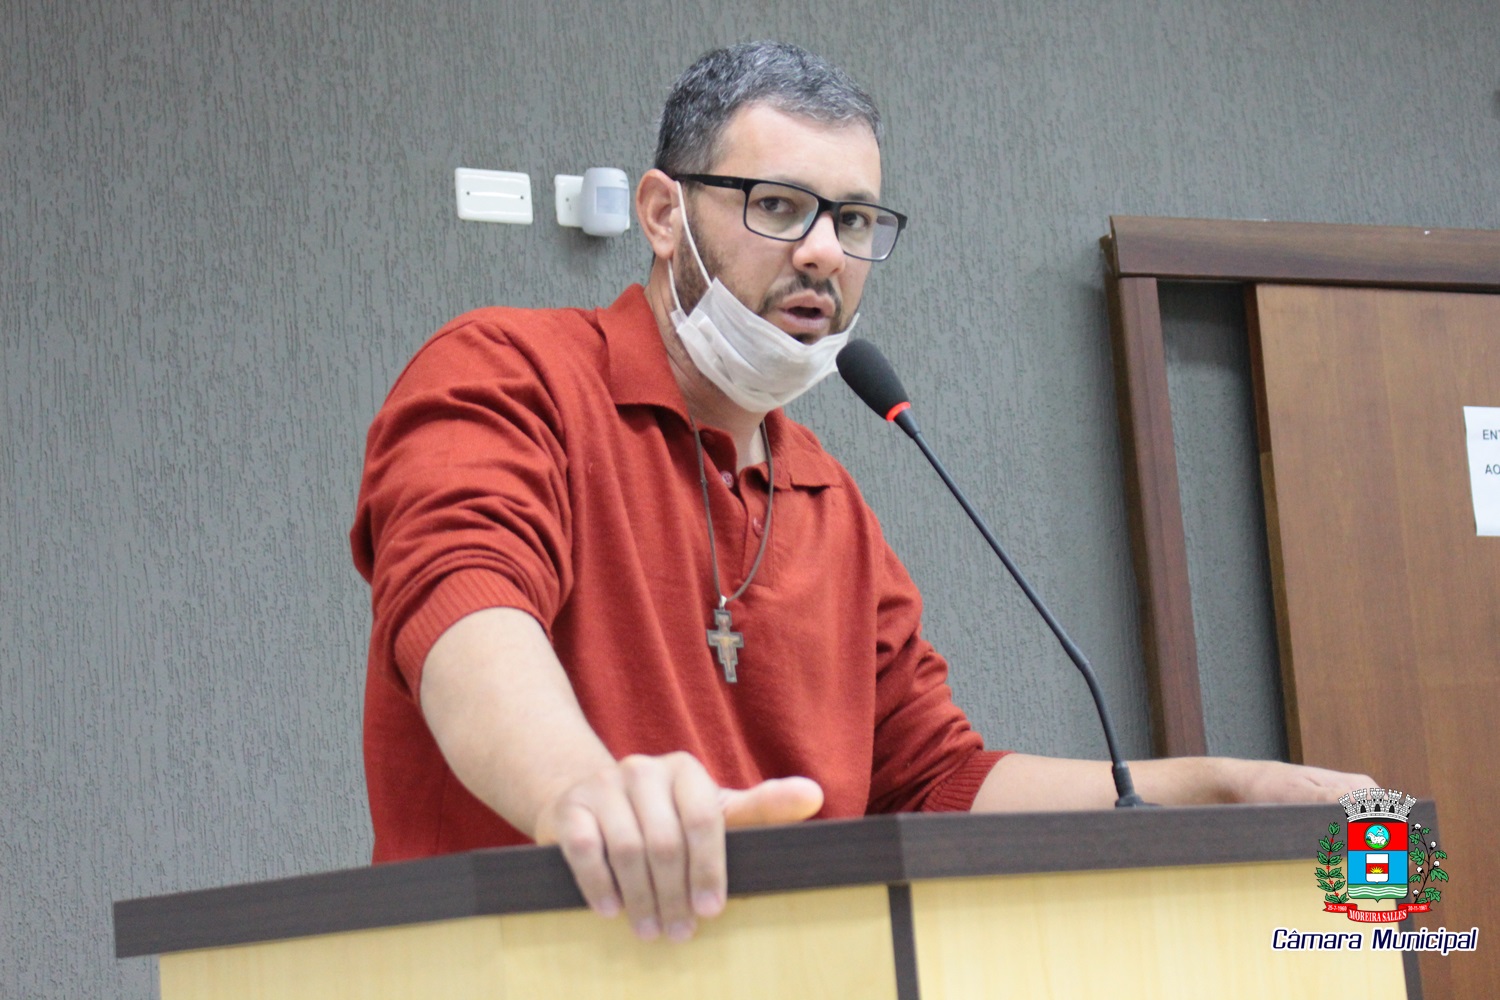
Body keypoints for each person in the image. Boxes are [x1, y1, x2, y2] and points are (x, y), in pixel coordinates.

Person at [351, 41, 1372, 945]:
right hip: (516, 964)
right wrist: (585, 790)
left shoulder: (827, 499)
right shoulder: (509, 373)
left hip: (787, 973)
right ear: (663, 216)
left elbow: (933, 782)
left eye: (853, 219)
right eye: (779, 206)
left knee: (1379, 895)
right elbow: (464, 607)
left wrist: (1211, 785)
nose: (823, 252)